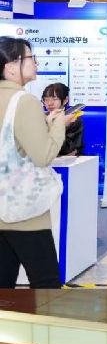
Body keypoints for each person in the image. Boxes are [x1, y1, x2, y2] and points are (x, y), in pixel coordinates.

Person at [0, 37, 66, 288]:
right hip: (23, 211)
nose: (36, 63)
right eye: (30, 57)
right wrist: (58, 125)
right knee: (47, 285)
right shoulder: (24, 101)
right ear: (11, 67)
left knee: (3, 283)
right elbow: (43, 155)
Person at [42, 83, 84, 157]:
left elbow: (65, 150)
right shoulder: (41, 118)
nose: (49, 103)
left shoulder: (73, 120)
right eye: (46, 99)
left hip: (71, 161)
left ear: (65, 100)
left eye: (54, 99)